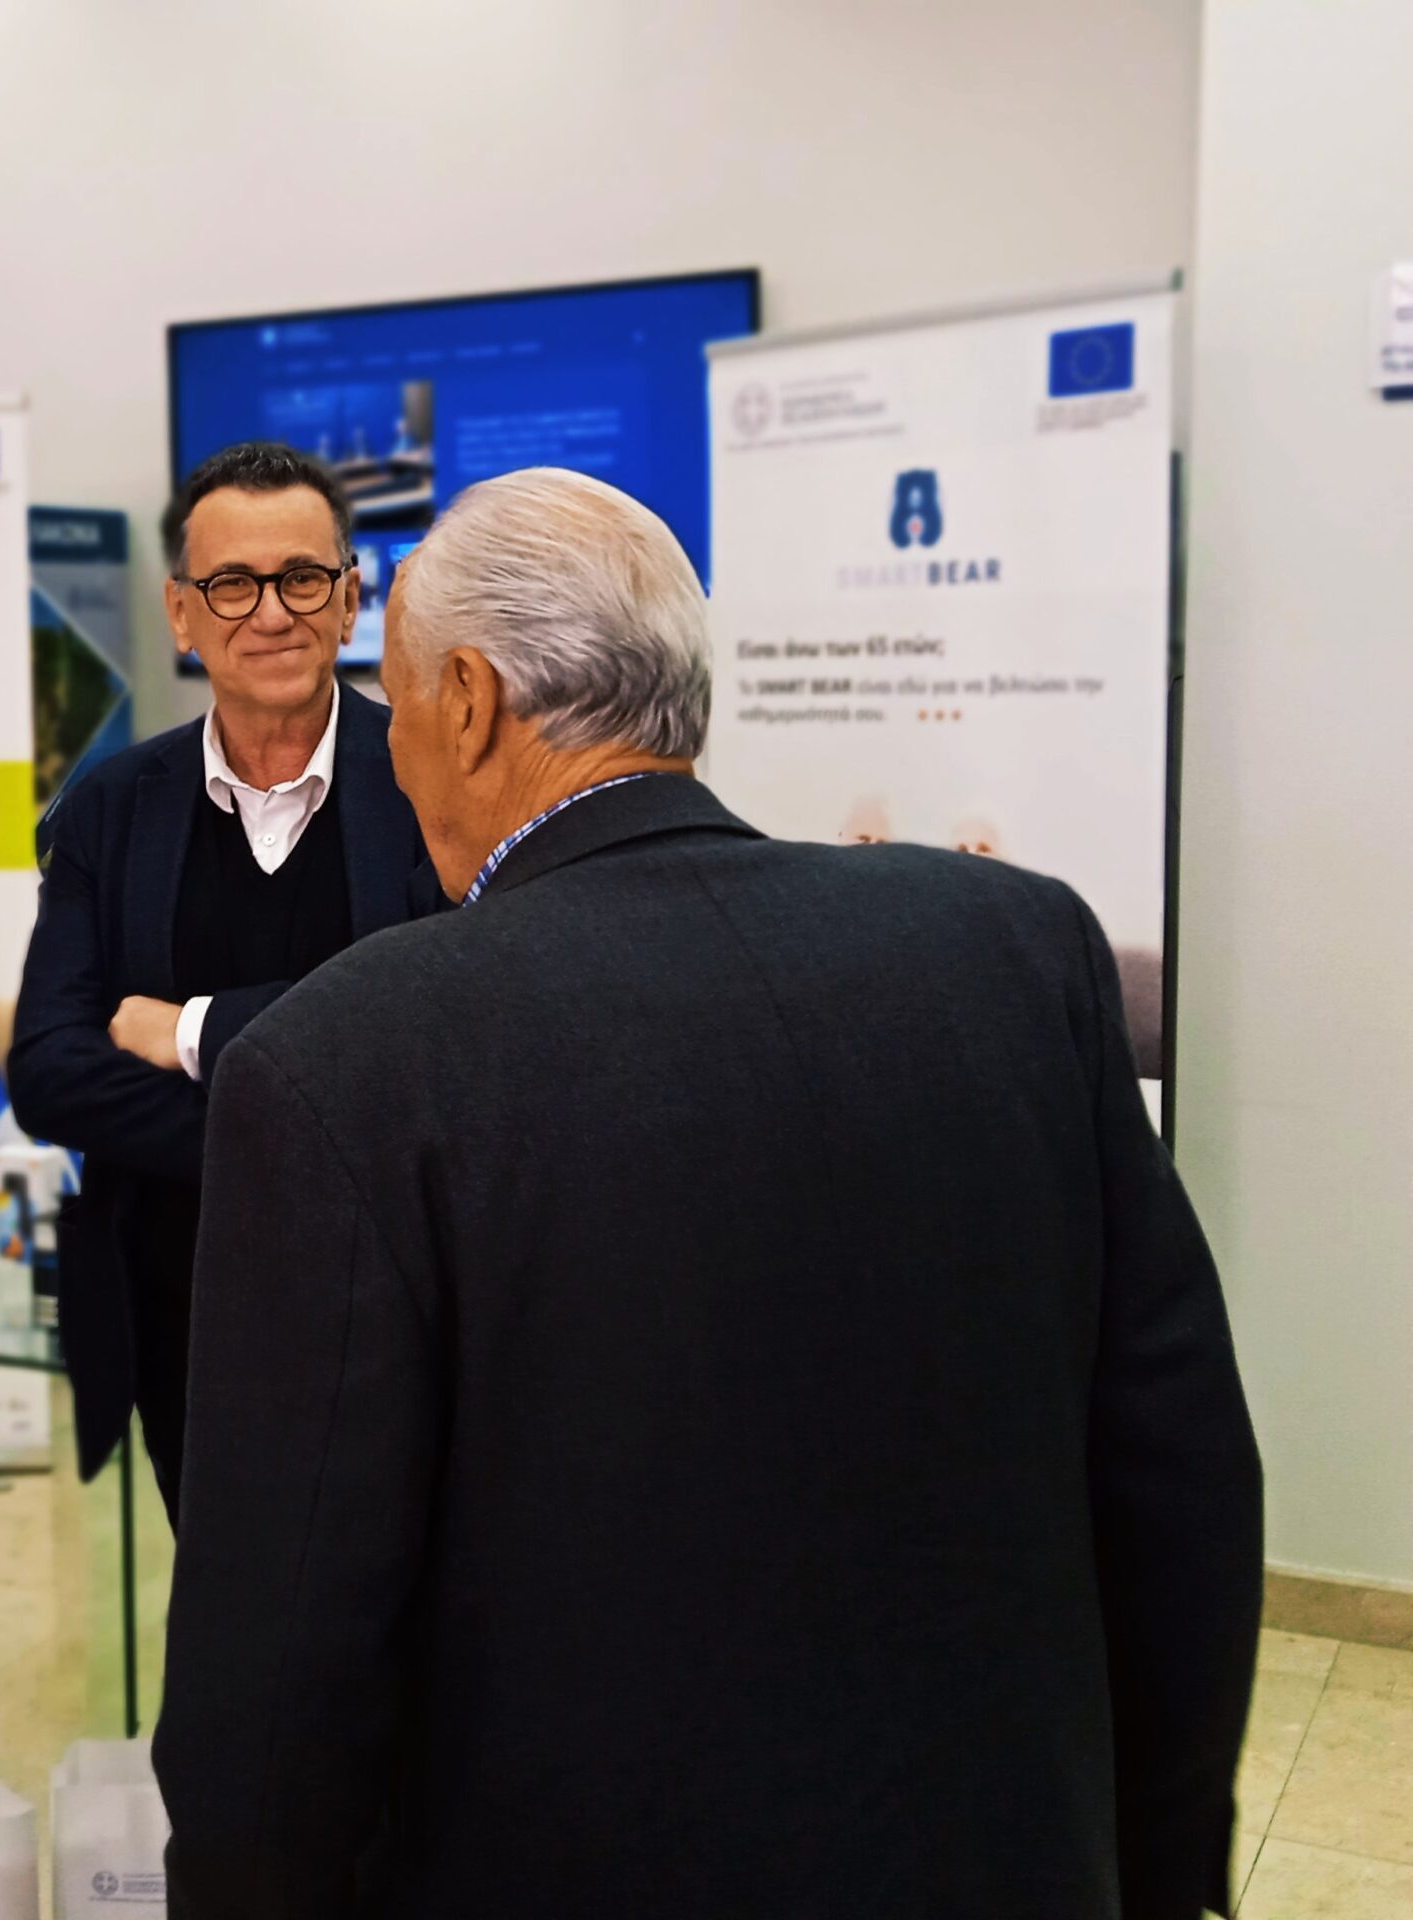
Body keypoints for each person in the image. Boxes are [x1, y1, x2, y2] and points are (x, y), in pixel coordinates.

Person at [153, 467, 1262, 1918]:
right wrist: (1158, 1868)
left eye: (399, 702)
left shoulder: (342, 1063)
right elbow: (1178, 1469)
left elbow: (280, 1663)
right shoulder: (1014, 950)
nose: (395, 751)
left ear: (469, 703)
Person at [8, 442, 440, 1520]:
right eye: (232, 584)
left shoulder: (437, 779)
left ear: (351, 600)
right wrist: (301, 1139)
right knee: (215, 1586)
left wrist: (193, 1030)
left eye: (302, 579)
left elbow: (436, 1032)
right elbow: (51, 1069)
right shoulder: (111, 806)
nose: (272, 613)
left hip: (397, 1299)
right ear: (181, 613)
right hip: (179, 1314)